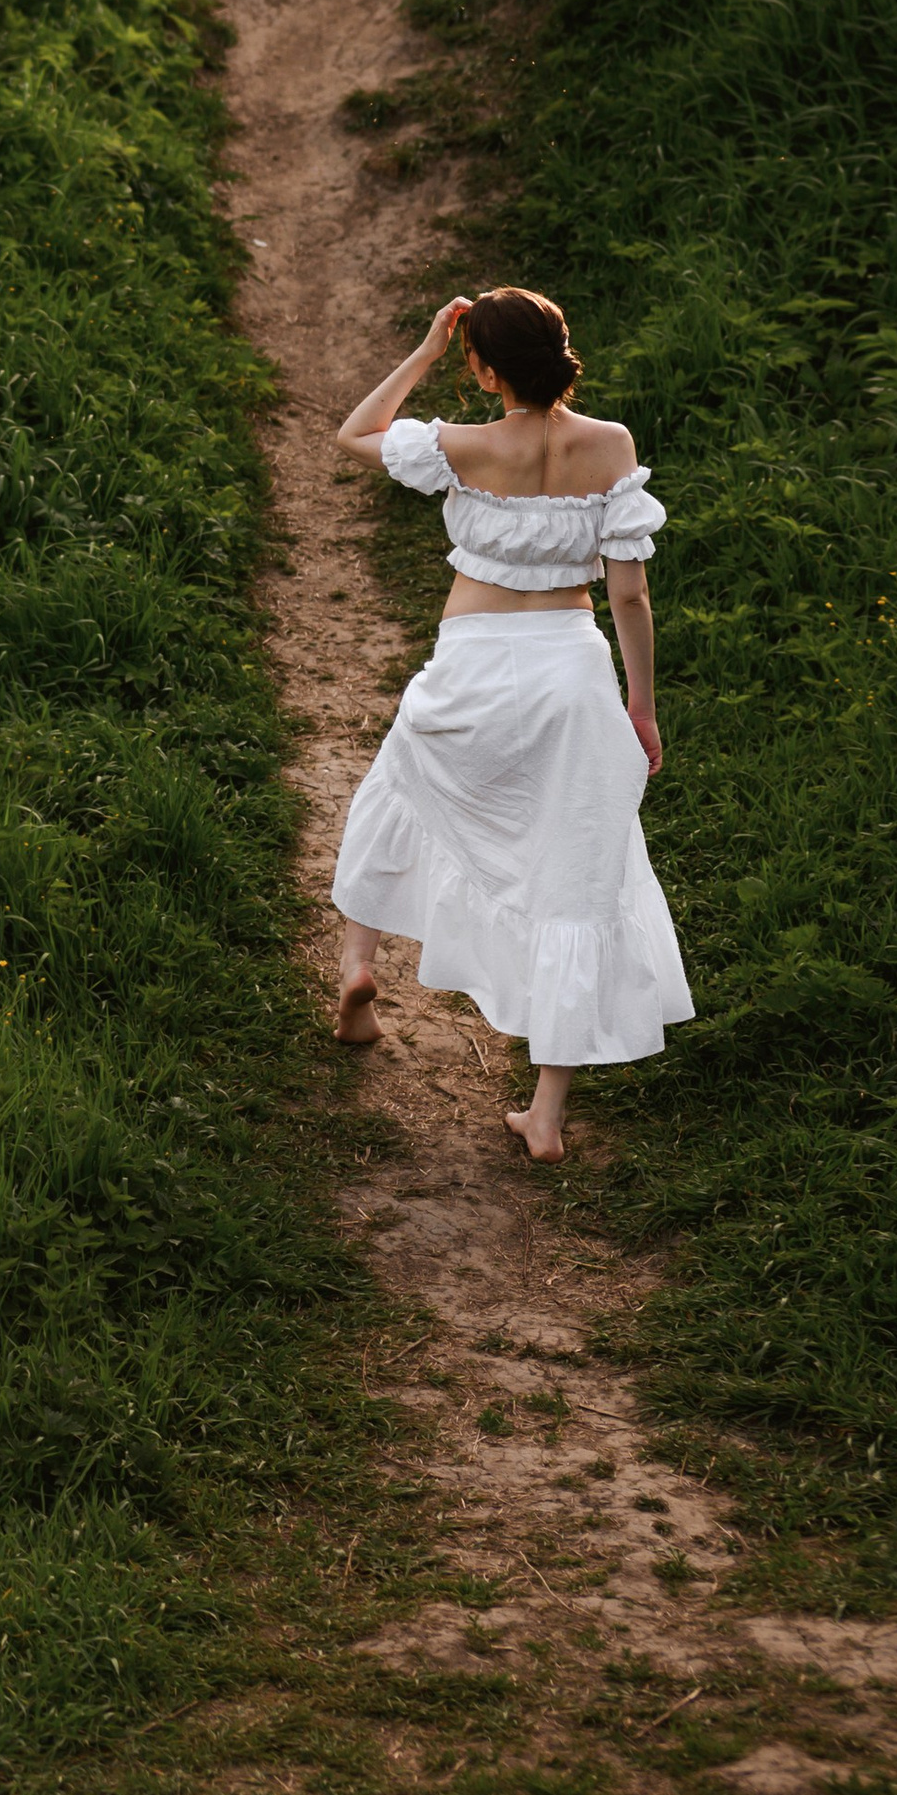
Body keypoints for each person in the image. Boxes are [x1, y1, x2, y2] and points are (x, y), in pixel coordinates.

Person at [327, 284, 694, 1160]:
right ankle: (546, 1117)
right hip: (570, 670)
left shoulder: (459, 446)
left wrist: (423, 351)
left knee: (401, 790)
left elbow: (355, 432)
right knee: (578, 871)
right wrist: (639, 705)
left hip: (471, 666)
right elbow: (630, 590)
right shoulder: (611, 446)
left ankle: (356, 971)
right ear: (561, 349)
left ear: (485, 370)